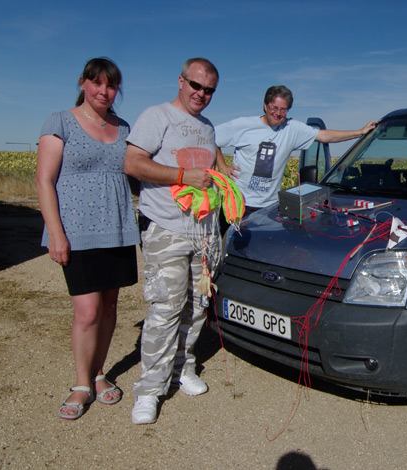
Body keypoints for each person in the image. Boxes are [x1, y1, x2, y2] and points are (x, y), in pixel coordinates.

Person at [36, 57, 140, 420]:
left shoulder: (124, 127)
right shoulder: (60, 121)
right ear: (83, 83)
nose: (103, 91)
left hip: (118, 229)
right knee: (88, 310)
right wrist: (56, 234)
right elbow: (44, 181)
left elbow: (138, 171)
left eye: (111, 86)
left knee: (110, 308)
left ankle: (99, 374)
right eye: (96, 83)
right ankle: (81, 383)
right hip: (76, 232)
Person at [124, 58, 222, 425]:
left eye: (209, 89)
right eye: (196, 85)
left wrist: (223, 173)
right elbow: (132, 163)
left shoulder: (207, 126)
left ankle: (184, 368)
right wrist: (183, 175)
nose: (201, 94)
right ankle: (150, 388)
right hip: (166, 228)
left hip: (204, 232)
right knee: (166, 308)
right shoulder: (156, 116)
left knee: (197, 306)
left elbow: (212, 157)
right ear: (181, 81)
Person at [215, 85, 377, 227]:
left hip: (269, 206)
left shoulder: (291, 128)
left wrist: (359, 132)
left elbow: (324, 136)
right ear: (265, 106)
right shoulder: (244, 125)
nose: (278, 113)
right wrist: (222, 166)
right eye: (273, 108)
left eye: (283, 110)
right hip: (238, 202)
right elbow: (211, 138)